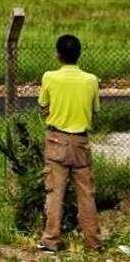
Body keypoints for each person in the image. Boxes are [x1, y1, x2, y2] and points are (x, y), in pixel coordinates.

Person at [37, 34, 101, 253]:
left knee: (55, 192)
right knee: (86, 194)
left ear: (58, 55)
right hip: (81, 141)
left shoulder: (50, 77)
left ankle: (51, 240)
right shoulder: (91, 80)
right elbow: (95, 111)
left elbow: (43, 105)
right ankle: (93, 241)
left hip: (57, 139)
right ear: (79, 54)